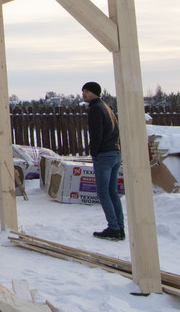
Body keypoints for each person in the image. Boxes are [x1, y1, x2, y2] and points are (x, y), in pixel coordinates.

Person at [82, 81, 124, 241]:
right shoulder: (106, 107)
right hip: (115, 153)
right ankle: (120, 227)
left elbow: (96, 134)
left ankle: (113, 228)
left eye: (86, 91)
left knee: (103, 191)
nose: (84, 94)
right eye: (83, 91)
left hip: (104, 155)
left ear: (95, 92)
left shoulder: (96, 109)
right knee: (112, 191)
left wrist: (94, 153)